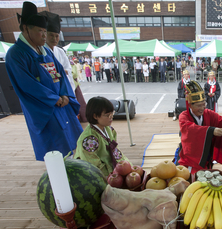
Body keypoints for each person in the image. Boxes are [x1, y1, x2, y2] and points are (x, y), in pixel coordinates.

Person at [5, 1, 83, 161]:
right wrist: (55, 99)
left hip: (62, 103)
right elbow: (27, 85)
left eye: (45, 32)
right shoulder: (16, 54)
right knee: (55, 148)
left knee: (72, 141)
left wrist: (65, 95)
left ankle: (74, 169)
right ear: (26, 28)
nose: (45, 36)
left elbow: (61, 73)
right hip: (44, 107)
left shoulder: (45, 50)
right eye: (40, 31)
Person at [178, 81, 222, 174]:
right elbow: (190, 129)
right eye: (198, 105)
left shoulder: (208, 113)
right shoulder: (183, 116)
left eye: (204, 104)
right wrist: (211, 130)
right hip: (190, 157)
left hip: (206, 155)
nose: (202, 108)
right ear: (190, 105)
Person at [74, 97, 131, 177]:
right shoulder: (88, 141)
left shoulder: (109, 129)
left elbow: (116, 152)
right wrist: (114, 176)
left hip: (113, 166)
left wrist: (126, 167)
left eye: (112, 113)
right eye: (107, 115)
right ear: (95, 116)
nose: (111, 117)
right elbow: (94, 166)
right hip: (101, 174)